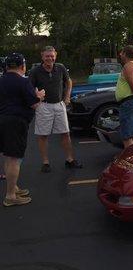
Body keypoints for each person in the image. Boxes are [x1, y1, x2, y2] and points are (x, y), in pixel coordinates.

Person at [0, 53, 45, 206]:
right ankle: (11, 196)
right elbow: (33, 104)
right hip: (15, 122)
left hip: (3, 120)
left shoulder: (1, 80)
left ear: (6, 66)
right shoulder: (23, 82)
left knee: (8, 156)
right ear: (22, 66)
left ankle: (14, 187)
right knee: (14, 158)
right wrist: (39, 96)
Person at [29, 46, 82, 173]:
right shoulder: (35, 71)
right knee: (43, 135)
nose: (50, 58)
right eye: (47, 56)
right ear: (42, 56)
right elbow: (30, 88)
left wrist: (67, 97)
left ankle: (70, 160)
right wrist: (36, 101)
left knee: (65, 133)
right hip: (44, 106)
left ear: (55, 55)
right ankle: (45, 162)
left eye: (52, 56)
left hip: (59, 105)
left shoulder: (61, 68)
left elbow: (68, 81)